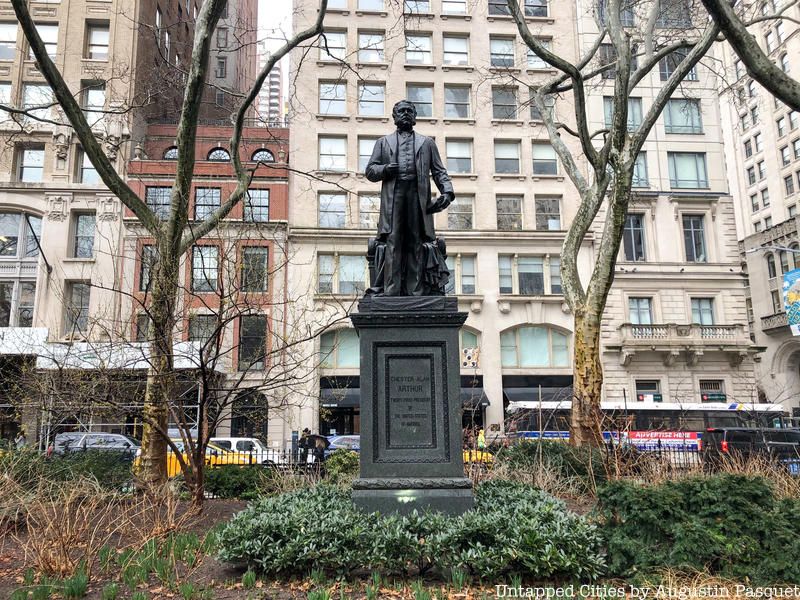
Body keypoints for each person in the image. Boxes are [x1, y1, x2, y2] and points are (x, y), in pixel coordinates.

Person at [365, 100, 454, 296]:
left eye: (409, 111)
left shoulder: (427, 143)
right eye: (401, 111)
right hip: (394, 198)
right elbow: (370, 171)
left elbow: (439, 171)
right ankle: (391, 291)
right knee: (393, 242)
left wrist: (447, 192)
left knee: (416, 242)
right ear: (394, 116)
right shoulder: (383, 142)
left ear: (414, 116)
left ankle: (416, 291)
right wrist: (386, 169)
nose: (405, 113)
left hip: (417, 197)